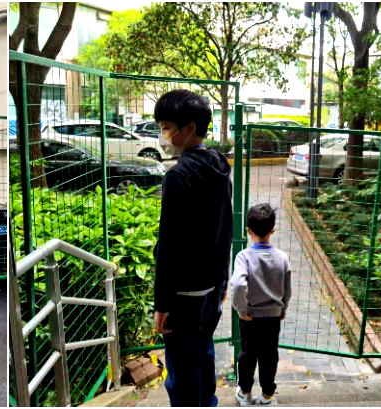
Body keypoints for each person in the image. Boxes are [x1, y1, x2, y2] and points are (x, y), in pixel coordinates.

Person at [152, 89, 233, 406]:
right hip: (211, 287)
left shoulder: (178, 176)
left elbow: (170, 245)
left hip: (183, 295)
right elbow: (224, 226)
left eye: (166, 126)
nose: (163, 134)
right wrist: (222, 279)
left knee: (182, 370)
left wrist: (162, 303)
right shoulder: (219, 165)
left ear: (187, 129)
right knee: (204, 352)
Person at [231, 203, 292, 406]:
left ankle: (245, 392)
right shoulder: (282, 257)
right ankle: (267, 395)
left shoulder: (244, 257)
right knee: (269, 355)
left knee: (247, 354)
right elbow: (287, 286)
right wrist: (282, 308)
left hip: (250, 316)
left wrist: (241, 309)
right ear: (273, 230)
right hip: (273, 317)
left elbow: (239, 284)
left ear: (248, 231)